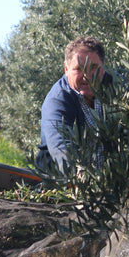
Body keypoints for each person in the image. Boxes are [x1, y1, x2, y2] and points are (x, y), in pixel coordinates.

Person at [36, 36, 107, 174]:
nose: (86, 76)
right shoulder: (57, 101)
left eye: (93, 68)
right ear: (66, 69)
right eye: (79, 69)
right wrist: (80, 175)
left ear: (103, 68)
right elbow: (59, 145)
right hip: (64, 187)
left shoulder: (118, 90)